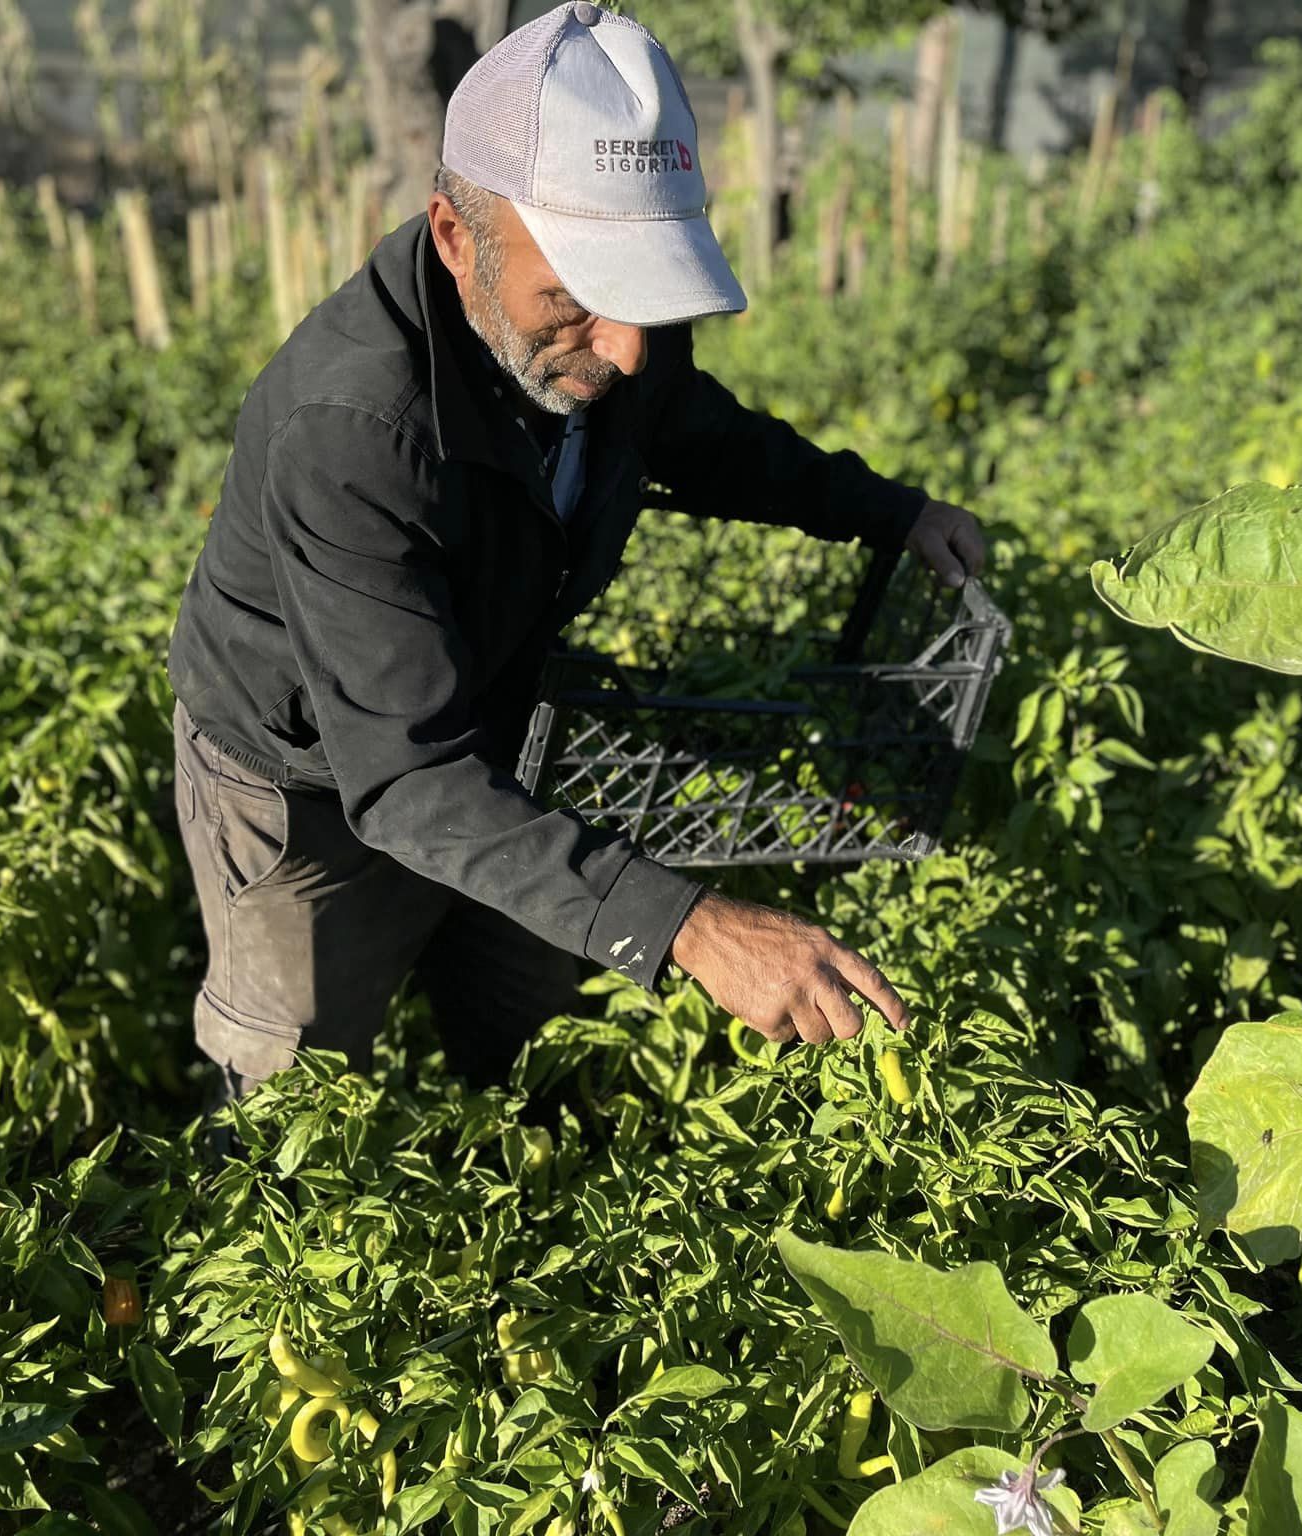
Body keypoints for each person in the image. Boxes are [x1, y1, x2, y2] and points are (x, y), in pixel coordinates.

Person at [165, 0, 988, 1099]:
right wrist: (690, 924)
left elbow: (697, 434)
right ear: (458, 239)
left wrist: (887, 512)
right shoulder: (353, 429)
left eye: (647, 297)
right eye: (577, 299)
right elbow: (406, 776)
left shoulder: (611, 333)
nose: (629, 349)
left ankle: (512, 1173)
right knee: (298, 1087)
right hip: (306, 779)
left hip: (491, 719)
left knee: (529, 1039)